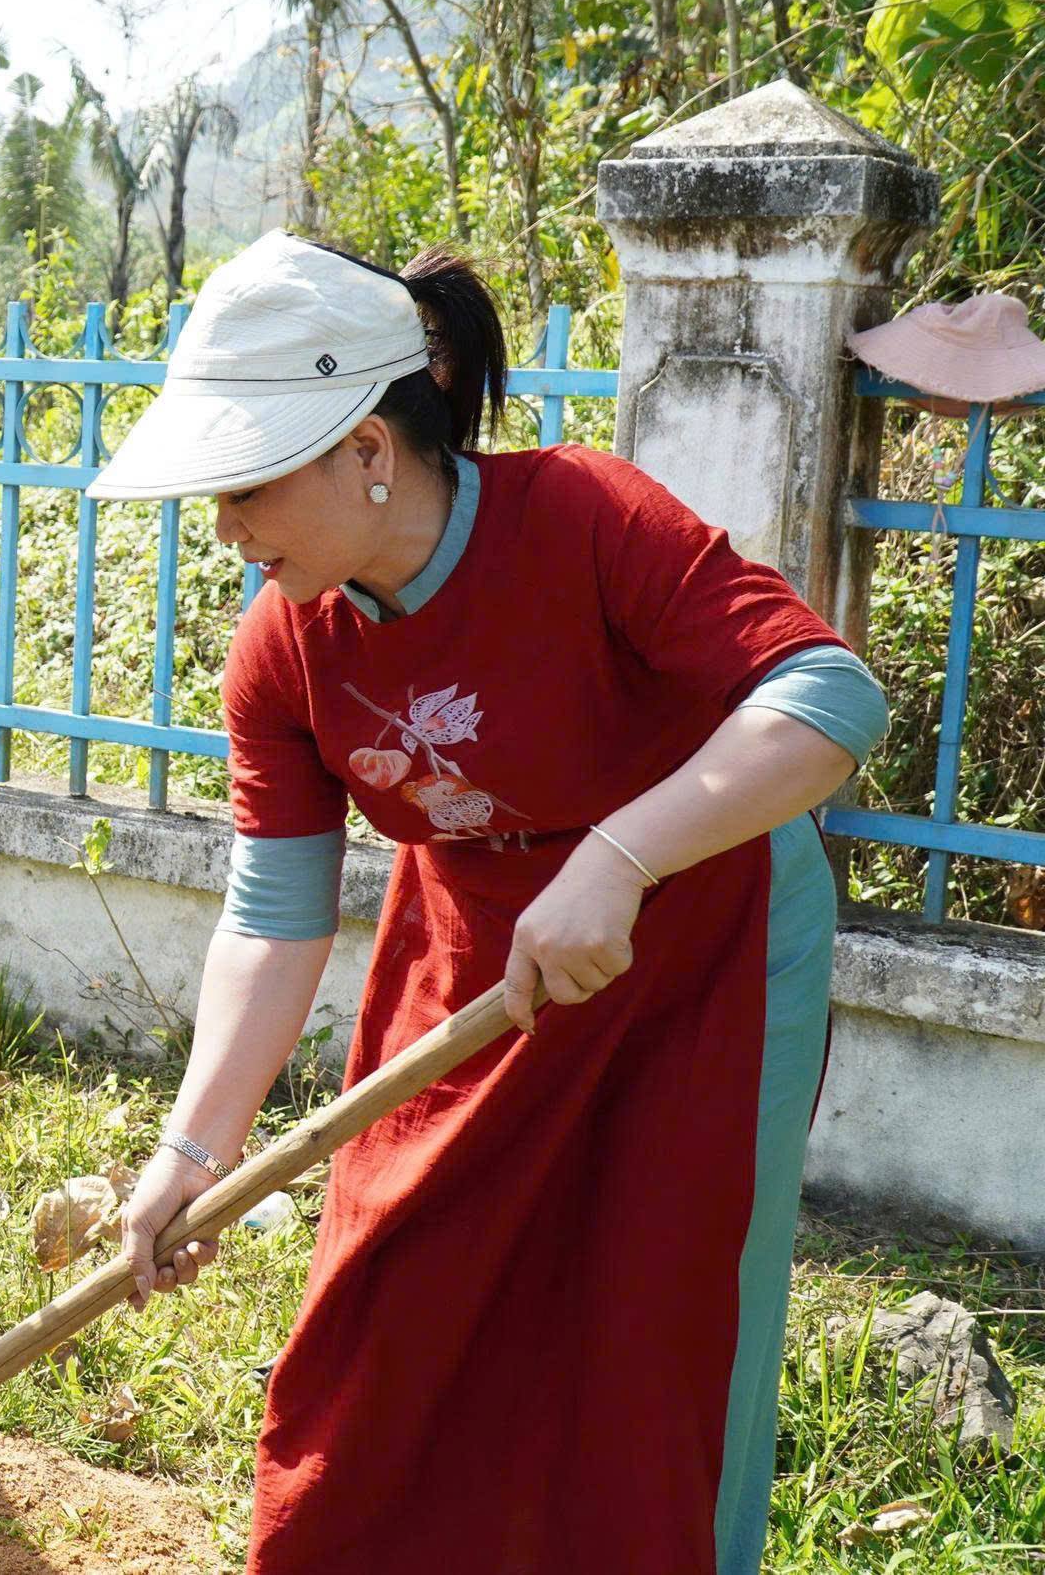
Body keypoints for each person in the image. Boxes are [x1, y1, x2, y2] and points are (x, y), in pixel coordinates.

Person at [90, 231, 889, 1575]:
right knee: (391, 1318)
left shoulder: (583, 518)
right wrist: (193, 1149)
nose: (223, 528)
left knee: (652, 1342)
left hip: (707, 955)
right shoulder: (284, 641)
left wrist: (622, 855)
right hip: (469, 964)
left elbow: (830, 699)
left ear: (366, 445)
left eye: (246, 482)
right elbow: (276, 912)